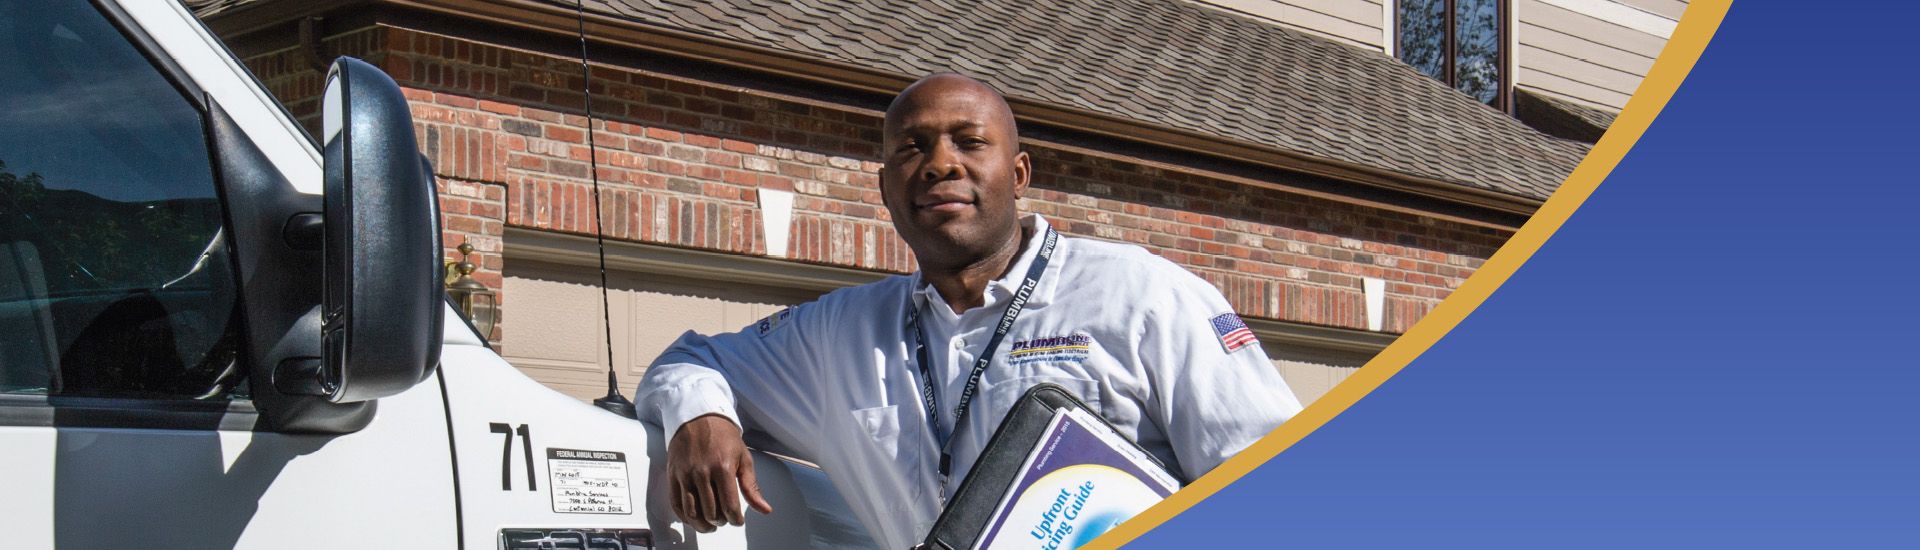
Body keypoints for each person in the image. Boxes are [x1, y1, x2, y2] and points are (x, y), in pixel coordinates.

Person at [636, 73, 1301, 549]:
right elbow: (692, 359)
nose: (939, 164)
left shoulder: (1145, 298)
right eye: (912, 147)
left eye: (968, 141)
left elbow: (1283, 491)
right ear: (886, 188)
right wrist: (700, 415)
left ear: (1018, 174)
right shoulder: (836, 338)